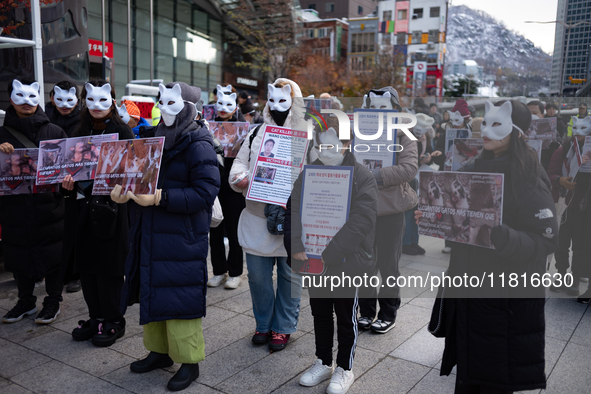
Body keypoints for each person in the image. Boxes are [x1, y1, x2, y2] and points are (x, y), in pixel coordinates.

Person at [417, 99, 559, 394]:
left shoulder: (529, 177)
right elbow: (461, 216)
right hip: (469, 288)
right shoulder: (471, 167)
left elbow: (546, 238)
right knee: (470, 372)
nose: (485, 129)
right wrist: (434, 217)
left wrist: (505, 237)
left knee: (495, 375)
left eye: (497, 125)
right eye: (485, 122)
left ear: (517, 131)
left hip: (504, 296)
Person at [115, 82, 220, 392]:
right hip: (149, 231)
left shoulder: (198, 143)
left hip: (181, 237)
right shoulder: (150, 138)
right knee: (153, 290)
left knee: (180, 298)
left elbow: (204, 193)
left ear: (189, 107)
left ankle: (190, 361)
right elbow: (133, 173)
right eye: (162, 101)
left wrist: (161, 197)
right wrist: (121, 190)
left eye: (173, 102)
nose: (165, 107)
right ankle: (159, 352)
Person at [286, 118, 378, 394]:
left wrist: (331, 252)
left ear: (347, 143)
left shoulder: (362, 175)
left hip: (347, 260)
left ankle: (344, 368)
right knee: (320, 312)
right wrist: (296, 243)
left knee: (346, 315)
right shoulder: (309, 173)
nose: (325, 150)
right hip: (314, 259)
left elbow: (362, 221)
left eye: (332, 144)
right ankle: (323, 360)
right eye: (320, 144)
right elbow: (294, 209)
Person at [229, 78, 305, 351]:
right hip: (257, 217)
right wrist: (240, 178)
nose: (277, 106)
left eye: (284, 100)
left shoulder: (308, 133)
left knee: (290, 277)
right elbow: (240, 163)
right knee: (258, 277)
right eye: (272, 100)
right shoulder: (256, 132)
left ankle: (283, 328)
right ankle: (263, 323)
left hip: (292, 220)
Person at [61, 80, 134, 347]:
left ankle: (114, 320)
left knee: (110, 268)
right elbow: (68, 171)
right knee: (89, 268)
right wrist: (66, 185)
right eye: (90, 100)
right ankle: (96, 317)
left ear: (113, 101)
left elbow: (132, 170)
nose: (96, 106)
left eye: (103, 100)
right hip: (83, 209)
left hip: (113, 210)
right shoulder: (79, 131)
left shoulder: (123, 131)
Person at [0, 78, 67, 325]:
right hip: (15, 208)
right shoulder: (2, 134)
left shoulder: (54, 132)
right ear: (10, 98)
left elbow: (66, 168)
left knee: (53, 255)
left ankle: (53, 300)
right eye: (20, 96)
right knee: (19, 254)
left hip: (49, 207)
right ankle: (25, 300)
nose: (27, 102)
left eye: (31, 96)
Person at [357, 86, 418, 334]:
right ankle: (367, 311)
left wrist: (375, 175)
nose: (378, 112)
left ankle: (388, 312)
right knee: (365, 263)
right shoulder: (361, 131)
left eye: (384, 107)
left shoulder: (404, 133)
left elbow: (409, 168)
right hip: (363, 208)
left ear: (395, 108)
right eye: (373, 108)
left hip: (392, 209)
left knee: (389, 263)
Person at [44, 81, 83, 293]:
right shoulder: (44, 120)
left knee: (74, 227)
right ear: (52, 97)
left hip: (76, 184)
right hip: (51, 184)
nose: (65, 104)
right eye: (60, 99)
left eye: (70, 100)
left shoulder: (83, 121)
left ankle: (74, 273)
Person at [208, 84, 247, 290]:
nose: (223, 108)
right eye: (220, 104)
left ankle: (236, 272)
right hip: (214, 184)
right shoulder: (208, 126)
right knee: (214, 229)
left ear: (235, 106)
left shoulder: (243, 129)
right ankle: (218, 271)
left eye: (228, 104)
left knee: (233, 230)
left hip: (233, 187)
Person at [547, 116, 591, 300]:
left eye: (584, 128)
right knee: (562, 241)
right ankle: (561, 273)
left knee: (580, 243)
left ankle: (574, 277)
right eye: (576, 128)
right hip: (564, 204)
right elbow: (551, 173)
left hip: (584, 206)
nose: (579, 132)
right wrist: (561, 181)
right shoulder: (563, 149)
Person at [402, 113, 441, 256]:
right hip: (407, 178)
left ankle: (413, 241)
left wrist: (429, 158)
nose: (420, 132)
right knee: (408, 210)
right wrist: (420, 161)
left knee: (417, 211)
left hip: (420, 177)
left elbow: (429, 155)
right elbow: (405, 160)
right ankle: (405, 243)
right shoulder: (405, 136)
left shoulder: (426, 138)